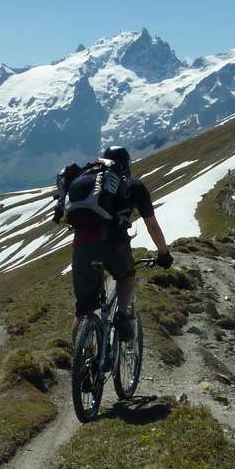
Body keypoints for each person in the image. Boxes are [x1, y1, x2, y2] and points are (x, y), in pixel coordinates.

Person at [53, 146, 172, 342]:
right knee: (126, 276)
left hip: (82, 247)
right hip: (114, 245)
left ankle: (81, 364)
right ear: (127, 165)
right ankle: (122, 315)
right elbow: (152, 225)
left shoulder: (86, 181)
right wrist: (163, 254)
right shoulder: (134, 186)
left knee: (83, 312)